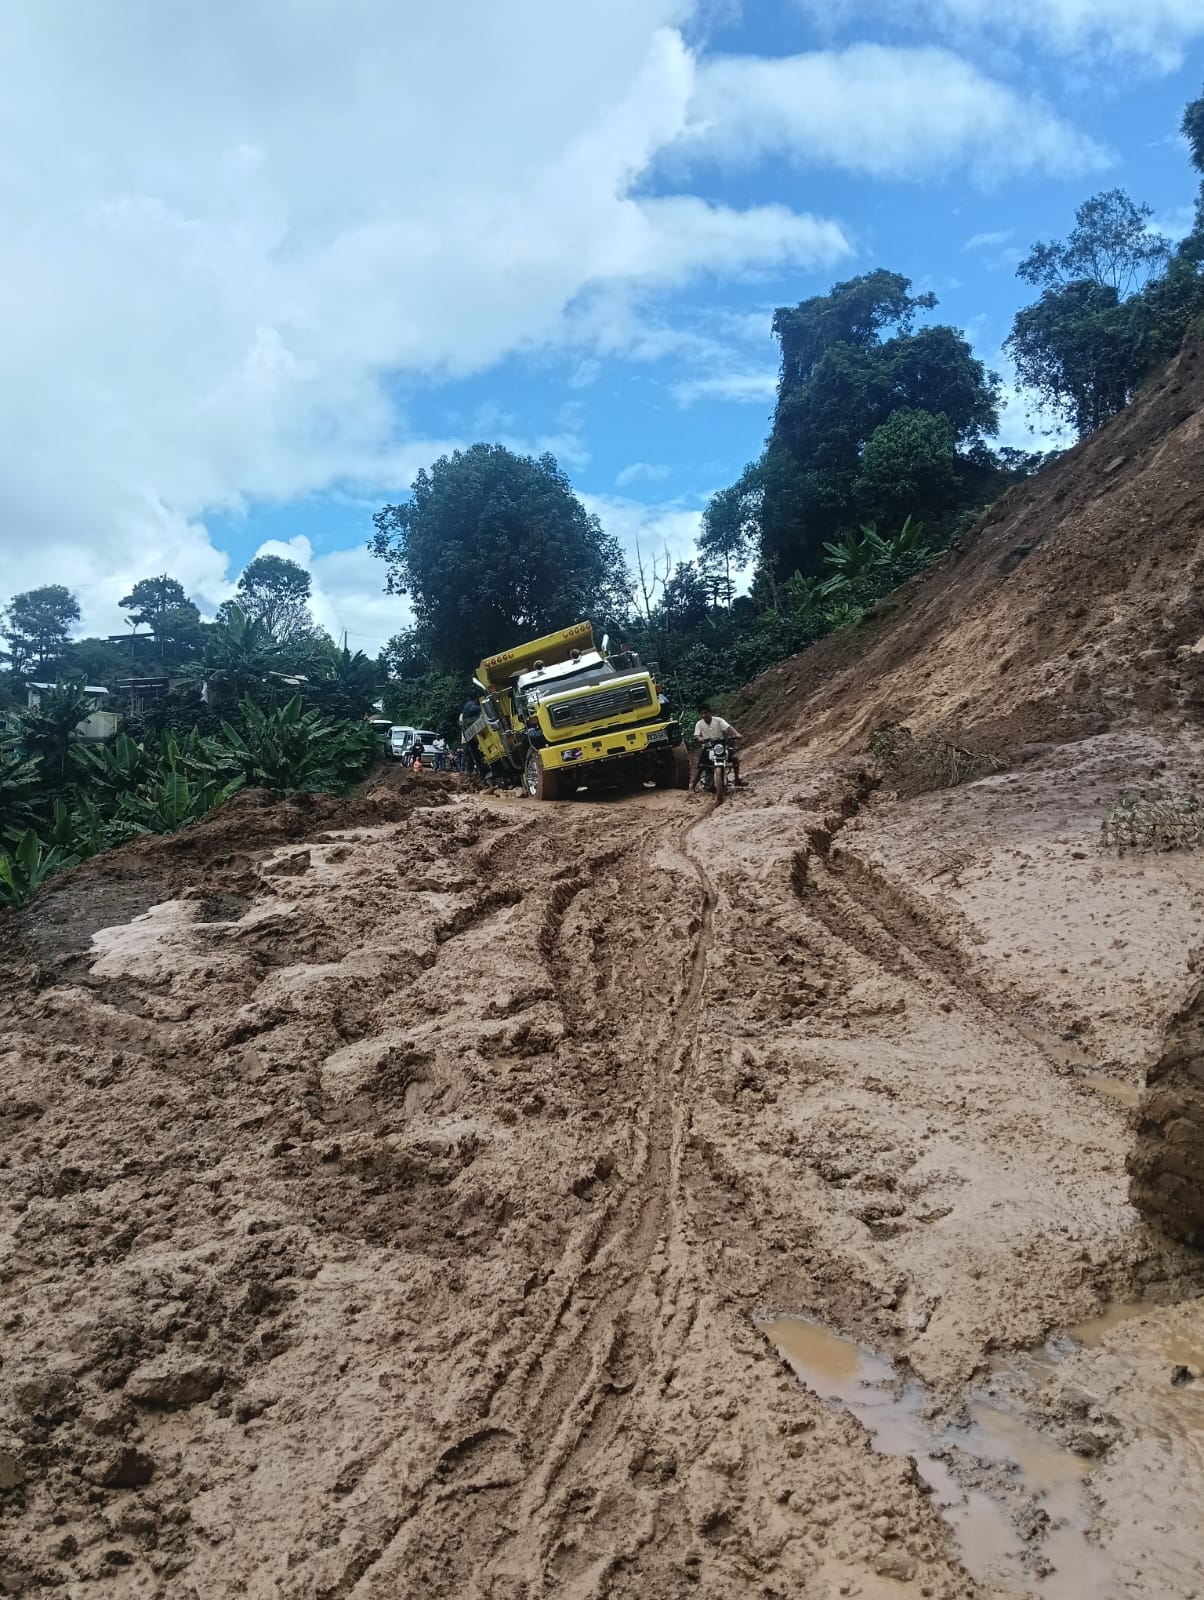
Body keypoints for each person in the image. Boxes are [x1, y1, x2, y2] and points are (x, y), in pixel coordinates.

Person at [692, 705, 744, 789]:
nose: (704, 715)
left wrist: (736, 734)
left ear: (710, 712)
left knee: (734, 758)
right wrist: (700, 738)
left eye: (705, 713)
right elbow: (697, 735)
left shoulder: (718, 720)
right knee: (701, 766)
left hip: (721, 745)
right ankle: (693, 787)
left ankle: (737, 779)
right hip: (707, 747)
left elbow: (728, 728)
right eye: (701, 713)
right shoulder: (699, 723)